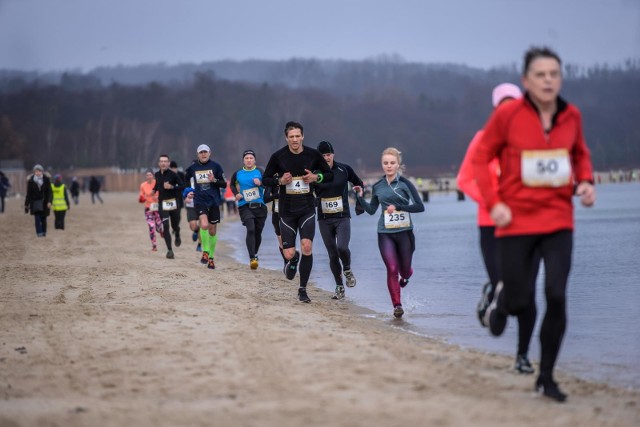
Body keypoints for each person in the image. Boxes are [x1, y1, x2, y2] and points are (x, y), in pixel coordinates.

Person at [473, 47, 596, 402]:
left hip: (558, 221)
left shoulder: (571, 115)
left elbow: (579, 155)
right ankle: (501, 306)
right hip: (516, 222)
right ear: (526, 81)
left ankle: (546, 377)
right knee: (520, 298)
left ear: (560, 78)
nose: (548, 80)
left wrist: (586, 181)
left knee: (556, 295)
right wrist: (494, 204)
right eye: (540, 75)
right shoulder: (508, 115)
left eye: (554, 74)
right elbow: (482, 158)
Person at [457, 83, 540, 375]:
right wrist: (493, 204)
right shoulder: (482, 139)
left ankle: (523, 356)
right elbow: (464, 180)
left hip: (526, 228)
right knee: (504, 292)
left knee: (528, 294)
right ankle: (493, 292)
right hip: (491, 227)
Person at [262, 121, 333, 303]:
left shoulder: (313, 154)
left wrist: (316, 177)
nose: (294, 139)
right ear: (286, 138)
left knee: (307, 246)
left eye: (297, 136)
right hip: (286, 211)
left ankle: (303, 289)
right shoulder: (278, 157)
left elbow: (329, 174)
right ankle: (293, 261)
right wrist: (280, 181)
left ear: (302, 136)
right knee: (289, 253)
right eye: (291, 136)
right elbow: (265, 180)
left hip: (307, 208)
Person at [354, 148, 424, 318]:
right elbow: (371, 210)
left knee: (404, 270)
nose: (389, 166)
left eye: (392, 163)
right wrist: (360, 197)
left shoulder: (405, 184)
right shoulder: (378, 186)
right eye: (386, 163)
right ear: (382, 165)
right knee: (392, 268)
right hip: (385, 232)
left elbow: (420, 207)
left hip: (405, 232)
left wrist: (399, 207)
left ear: (398, 165)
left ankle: (407, 274)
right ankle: (397, 306)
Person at [314, 140, 364, 300]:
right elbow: (307, 192)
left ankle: (347, 270)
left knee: (342, 248)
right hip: (324, 219)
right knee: (332, 255)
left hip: (342, 217)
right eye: (322, 155)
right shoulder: (314, 174)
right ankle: (339, 286)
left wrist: (359, 191)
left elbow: (359, 183)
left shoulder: (344, 169)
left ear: (333, 155)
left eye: (328, 155)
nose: (326, 158)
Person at [185, 144, 227, 269]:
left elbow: (224, 184)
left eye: (205, 152)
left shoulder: (216, 166)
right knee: (204, 224)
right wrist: (188, 192)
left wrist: (214, 180)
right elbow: (185, 179)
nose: (203, 154)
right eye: (201, 152)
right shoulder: (193, 167)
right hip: (200, 201)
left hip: (214, 202)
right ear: (198, 154)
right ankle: (205, 252)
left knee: (212, 230)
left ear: (210, 153)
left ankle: (211, 258)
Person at [229, 150, 268, 269]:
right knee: (250, 229)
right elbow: (231, 184)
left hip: (260, 206)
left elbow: (267, 184)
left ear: (254, 160)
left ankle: (255, 253)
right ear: (243, 161)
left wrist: (260, 183)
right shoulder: (238, 173)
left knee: (258, 232)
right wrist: (236, 194)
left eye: (251, 158)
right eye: (247, 158)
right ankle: (252, 258)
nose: (249, 160)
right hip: (245, 206)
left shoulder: (260, 171)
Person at [153, 154, 184, 259]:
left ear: (168, 163)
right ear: (159, 163)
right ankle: (170, 250)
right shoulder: (157, 174)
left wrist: (172, 186)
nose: (163, 163)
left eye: (165, 161)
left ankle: (177, 233)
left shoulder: (173, 175)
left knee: (174, 225)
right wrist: (154, 190)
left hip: (174, 203)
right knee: (165, 225)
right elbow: (157, 184)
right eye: (161, 161)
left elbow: (182, 186)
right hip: (162, 203)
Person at [24, 164, 53, 237]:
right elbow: (28, 194)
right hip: (35, 202)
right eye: (36, 171)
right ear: (34, 172)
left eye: (39, 171)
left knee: (43, 219)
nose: (37, 173)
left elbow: (50, 192)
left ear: (42, 171)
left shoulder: (46, 180)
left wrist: (49, 201)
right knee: (37, 219)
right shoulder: (31, 181)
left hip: (45, 202)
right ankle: (39, 233)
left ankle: (44, 232)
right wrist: (26, 205)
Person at [139, 169, 163, 252]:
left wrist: (158, 198)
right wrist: (141, 199)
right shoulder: (143, 185)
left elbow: (163, 194)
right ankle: (154, 245)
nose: (148, 176)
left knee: (160, 225)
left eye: (150, 175)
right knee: (151, 226)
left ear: (153, 175)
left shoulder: (157, 183)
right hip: (148, 208)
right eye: (147, 175)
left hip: (157, 208)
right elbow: (141, 197)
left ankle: (161, 231)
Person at [182, 187, 202, 252]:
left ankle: (199, 245)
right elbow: (183, 193)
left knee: (202, 225)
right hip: (190, 207)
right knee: (193, 226)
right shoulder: (188, 181)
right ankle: (196, 230)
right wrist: (185, 199)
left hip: (201, 206)